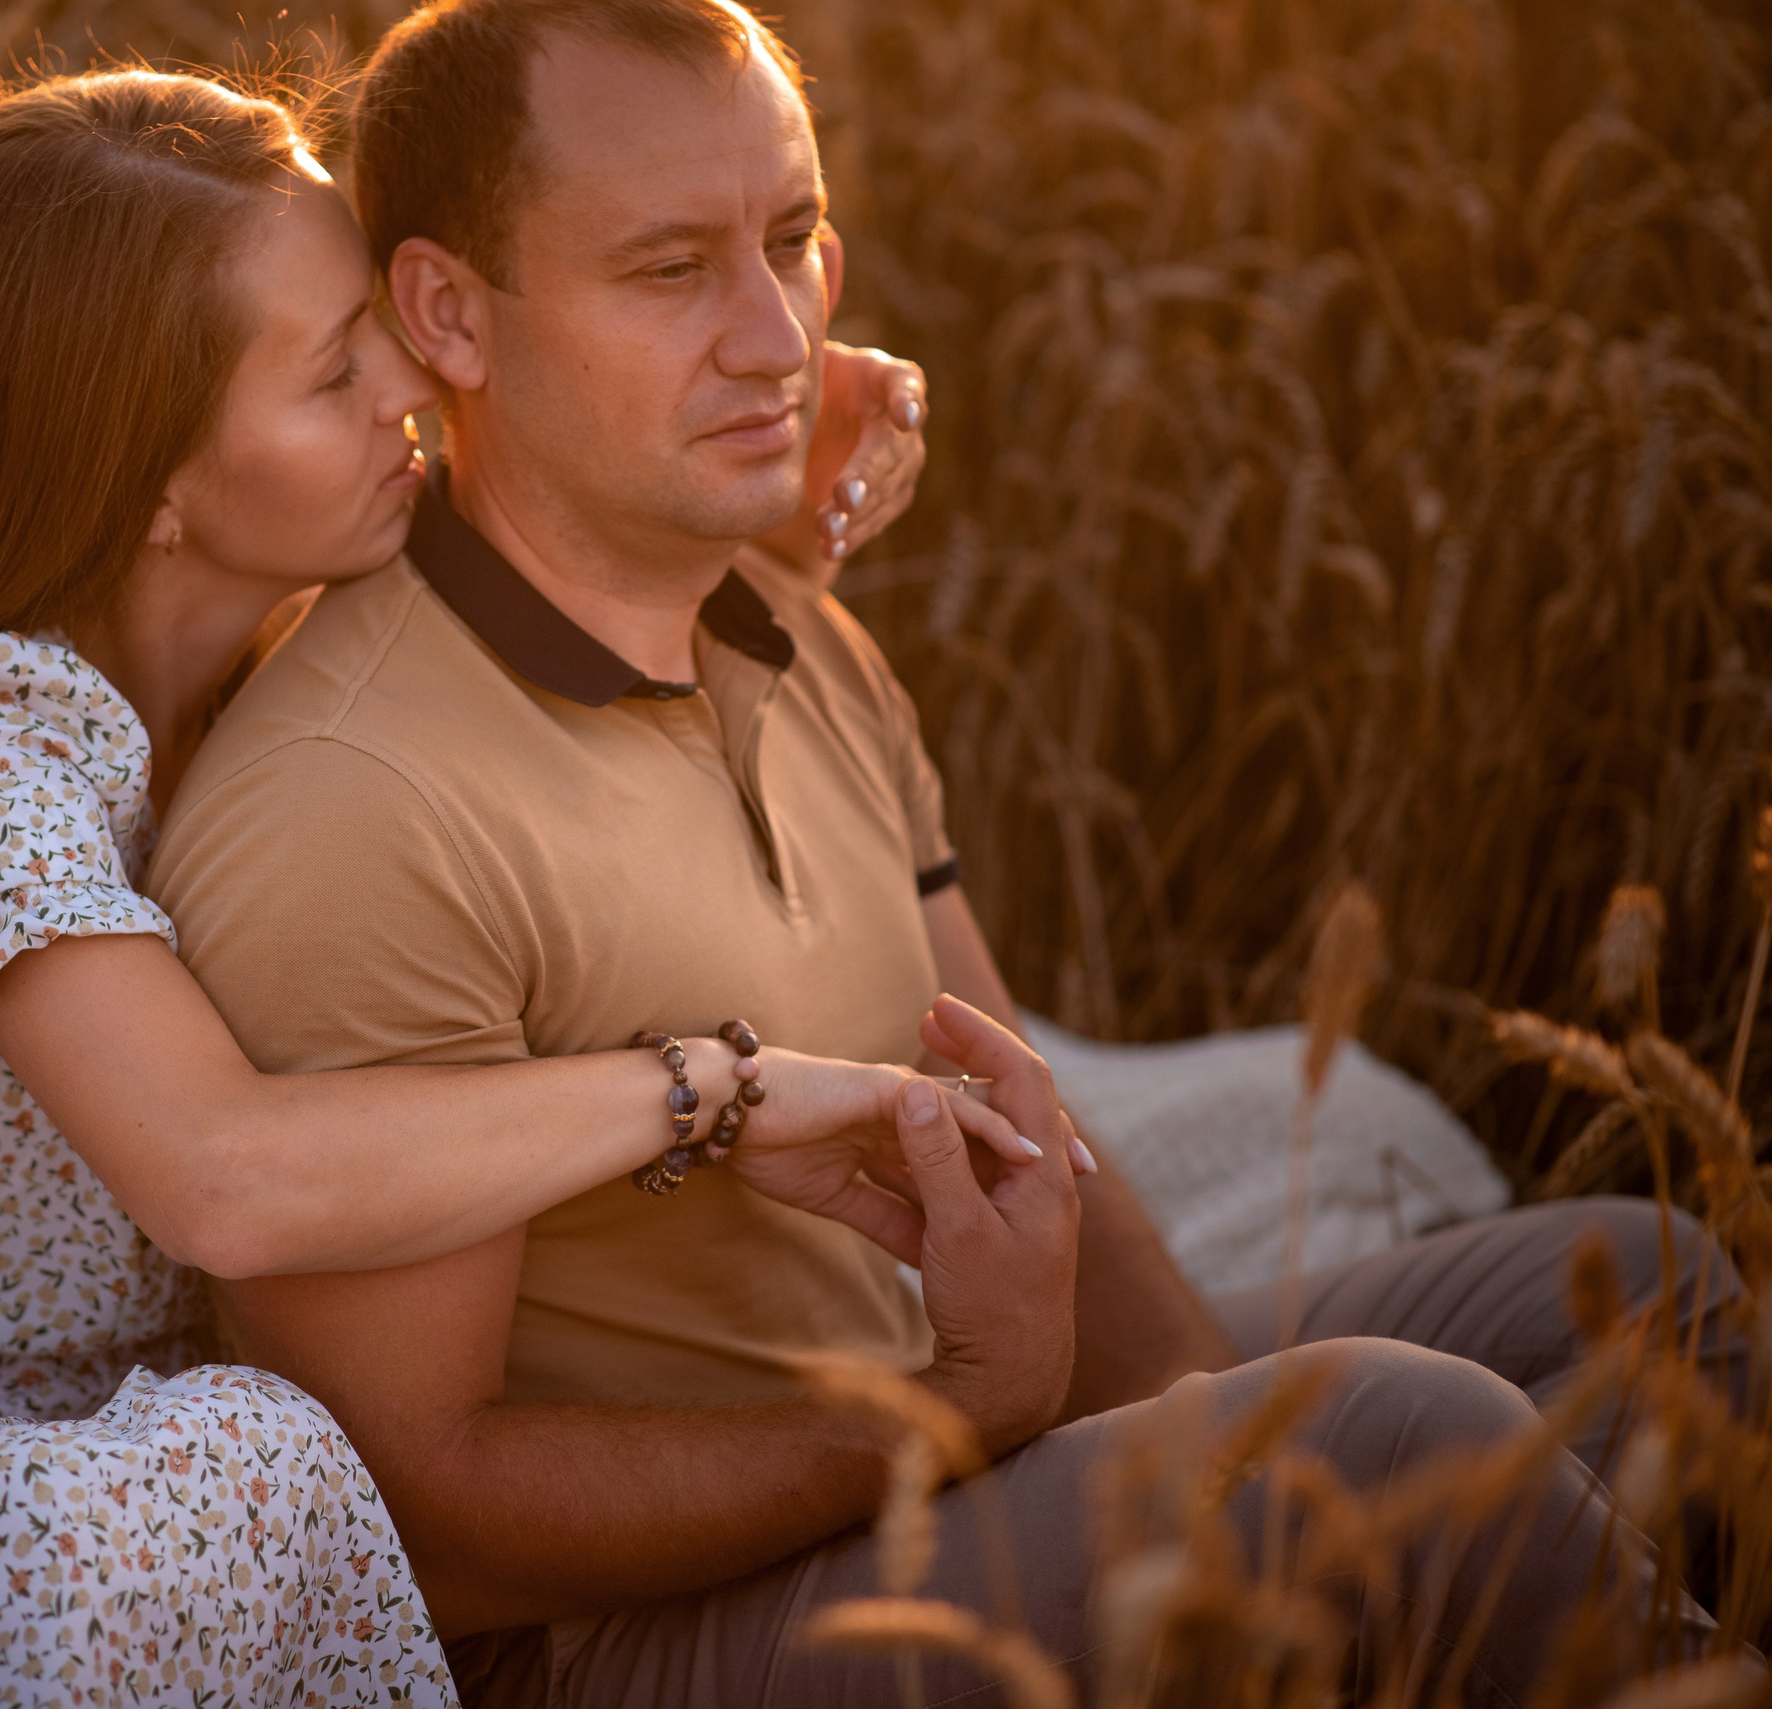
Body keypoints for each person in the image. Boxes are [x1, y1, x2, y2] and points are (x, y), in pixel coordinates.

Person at [143, 0, 1746, 1701]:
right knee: (1389, 1439)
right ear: (449, 311)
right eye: (672, 270)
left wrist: (1202, 1427)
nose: (775, 338)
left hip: (937, 1431)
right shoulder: (358, 802)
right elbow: (419, 1525)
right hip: (638, 1638)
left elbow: (1025, 1128)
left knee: (1654, 1288)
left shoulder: (783, 629)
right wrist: (1008, 1432)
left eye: (791, 238)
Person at [0, 67, 982, 1708]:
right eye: (335, 368)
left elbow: (565, 598)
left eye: (385, 333)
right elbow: (223, 1176)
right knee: (223, 1470)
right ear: (148, 480)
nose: (409, 382)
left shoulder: (274, 665)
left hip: (138, 1543)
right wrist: (704, 1085)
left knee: (218, 1480)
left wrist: (734, 444)